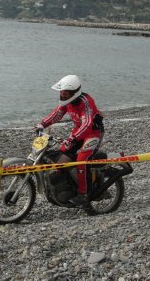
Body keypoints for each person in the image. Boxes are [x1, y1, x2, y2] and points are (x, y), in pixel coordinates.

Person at [35, 75, 104, 206]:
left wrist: (72, 138)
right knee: (61, 154)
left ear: (73, 92)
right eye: (61, 92)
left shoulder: (85, 102)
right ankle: (66, 185)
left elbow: (87, 124)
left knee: (81, 159)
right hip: (79, 132)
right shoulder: (67, 102)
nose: (62, 94)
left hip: (93, 133)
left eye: (65, 93)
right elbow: (57, 114)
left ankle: (84, 193)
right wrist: (42, 124)